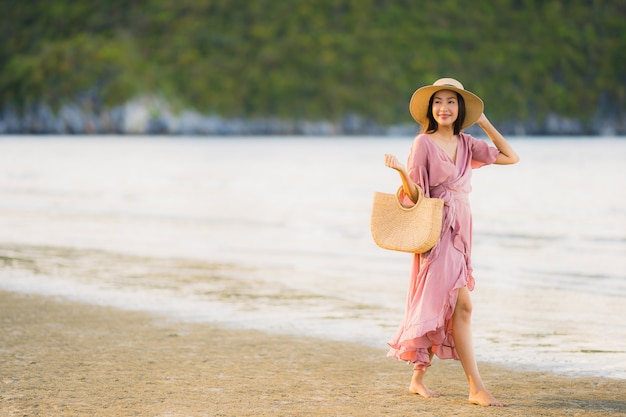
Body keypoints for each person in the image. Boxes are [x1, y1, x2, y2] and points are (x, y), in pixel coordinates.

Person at [384, 78, 519, 407]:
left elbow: (510, 156)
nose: (444, 108)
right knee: (462, 306)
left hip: (462, 229)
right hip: (437, 230)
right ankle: (476, 388)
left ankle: (417, 378)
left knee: (442, 304)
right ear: (431, 109)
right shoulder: (423, 144)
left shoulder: (468, 144)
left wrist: (483, 120)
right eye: (438, 102)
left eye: (451, 102)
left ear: (461, 109)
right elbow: (416, 195)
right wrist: (403, 173)